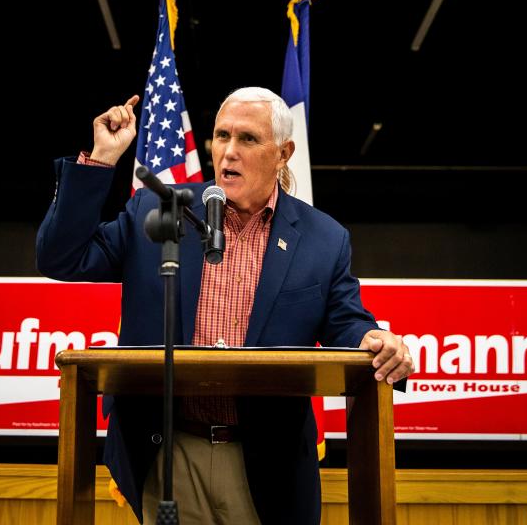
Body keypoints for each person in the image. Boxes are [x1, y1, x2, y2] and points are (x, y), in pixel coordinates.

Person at [36, 86, 414, 524]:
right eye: (221, 136)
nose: (229, 152)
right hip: (166, 453)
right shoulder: (156, 210)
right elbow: (62, 256)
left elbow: (345, 323)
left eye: (248, 139)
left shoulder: (324, 238)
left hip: (267, 464)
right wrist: (101, 160)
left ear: (284, 153)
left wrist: (372, 338)